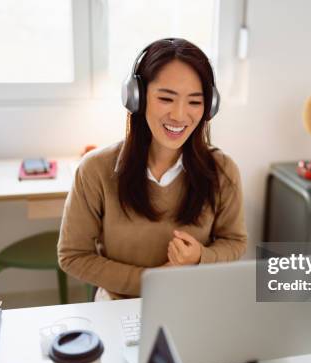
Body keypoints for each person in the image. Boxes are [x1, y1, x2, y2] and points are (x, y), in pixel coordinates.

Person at [57, 38, 247, 300]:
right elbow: (73, 256)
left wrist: (201, 256)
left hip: (192, 300)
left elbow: (235, 242)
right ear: (137, 98)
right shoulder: (95, 170)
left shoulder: (223, 170)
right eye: (166, 98)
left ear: (208, 107)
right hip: (118, 303)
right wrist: (153, 281)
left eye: (194, 101)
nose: (180, 115)